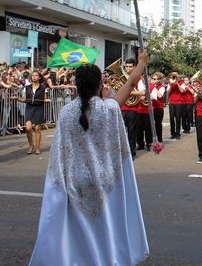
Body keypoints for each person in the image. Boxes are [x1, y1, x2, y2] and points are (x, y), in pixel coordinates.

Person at [29, 51, 150, 266]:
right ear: (99, 84)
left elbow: (60, 153)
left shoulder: (66, 112)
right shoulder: (109, 109)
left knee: (78, 232)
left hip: (75, 181)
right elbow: (130, 84)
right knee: (105, 228)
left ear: (76, 85)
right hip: (106, 181)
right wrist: (141, 63)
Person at [19, 71, 47, 155]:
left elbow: (45, 100)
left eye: (36, 75)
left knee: (37, 129)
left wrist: (47, 101)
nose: (34, 77)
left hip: (39, 108)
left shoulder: (43, 87)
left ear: (39, 77)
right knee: (28, 128)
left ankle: (37, 148)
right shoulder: (27, 87)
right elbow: (24, 99)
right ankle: (31, 146)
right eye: (33, 75)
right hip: (29, 108)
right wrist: (16, 98)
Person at [167, 72, 184, 140]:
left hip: (179, 103)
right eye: (173, 75)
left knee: (178, 118)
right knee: (171, 118)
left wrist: (177, 83)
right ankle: (172, 133)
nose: (174, 76)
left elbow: (182, 91)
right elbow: (168, 93)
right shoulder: (170, 83)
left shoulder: (181, 83)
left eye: (175, 75)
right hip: (172, 102)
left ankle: (177, 133)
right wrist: (171, 85)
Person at [150, 73, 165, 143]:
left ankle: (159, 139)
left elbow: (159, 96)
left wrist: (153, 87)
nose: (152, 80)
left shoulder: (162, 87)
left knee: (158, 124)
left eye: (154, 79)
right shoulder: (151, 86)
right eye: (152, 78)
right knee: (150, 124)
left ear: (159, 80)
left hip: (158, 108)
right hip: (151, 107)